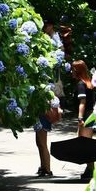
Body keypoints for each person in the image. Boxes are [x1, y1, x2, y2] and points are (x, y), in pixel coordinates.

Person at [35, 20, 65, 177]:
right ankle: (43, 166)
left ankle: (47, 168)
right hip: (43, 106)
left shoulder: (55, 39)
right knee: (39, 141)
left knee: (41, 140)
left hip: (44, 107)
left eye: (46, 26)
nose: (44, 29)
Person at [71, 59, 96, 180]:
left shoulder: (81, 84)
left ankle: (91, 170)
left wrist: (80, 118)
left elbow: (83, 102)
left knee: (85, 144)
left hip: (86, 115)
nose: (71, 71)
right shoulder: (89, 83)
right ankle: (90, 169)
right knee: (87, 144)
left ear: (77, 71)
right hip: (91, 114)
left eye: (73, 69)